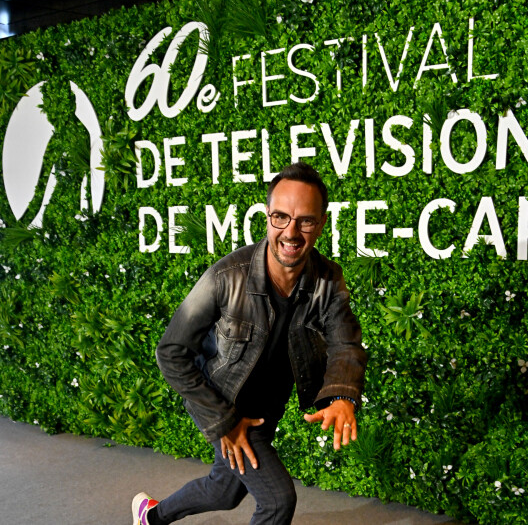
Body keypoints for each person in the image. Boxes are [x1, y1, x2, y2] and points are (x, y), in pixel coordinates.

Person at [132, 162, 367, 525]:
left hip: (265, 406)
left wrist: (342, 396)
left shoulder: (327, 279)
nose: (291, 231)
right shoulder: (226, 277)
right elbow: (172, 352)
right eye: (280, 217)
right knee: (277, 499)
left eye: (305, 220)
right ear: (267, 217)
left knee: (224, 491)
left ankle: (151, 517)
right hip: (220, 399)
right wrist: (225, 420)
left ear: (320, 225)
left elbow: (345, 342)